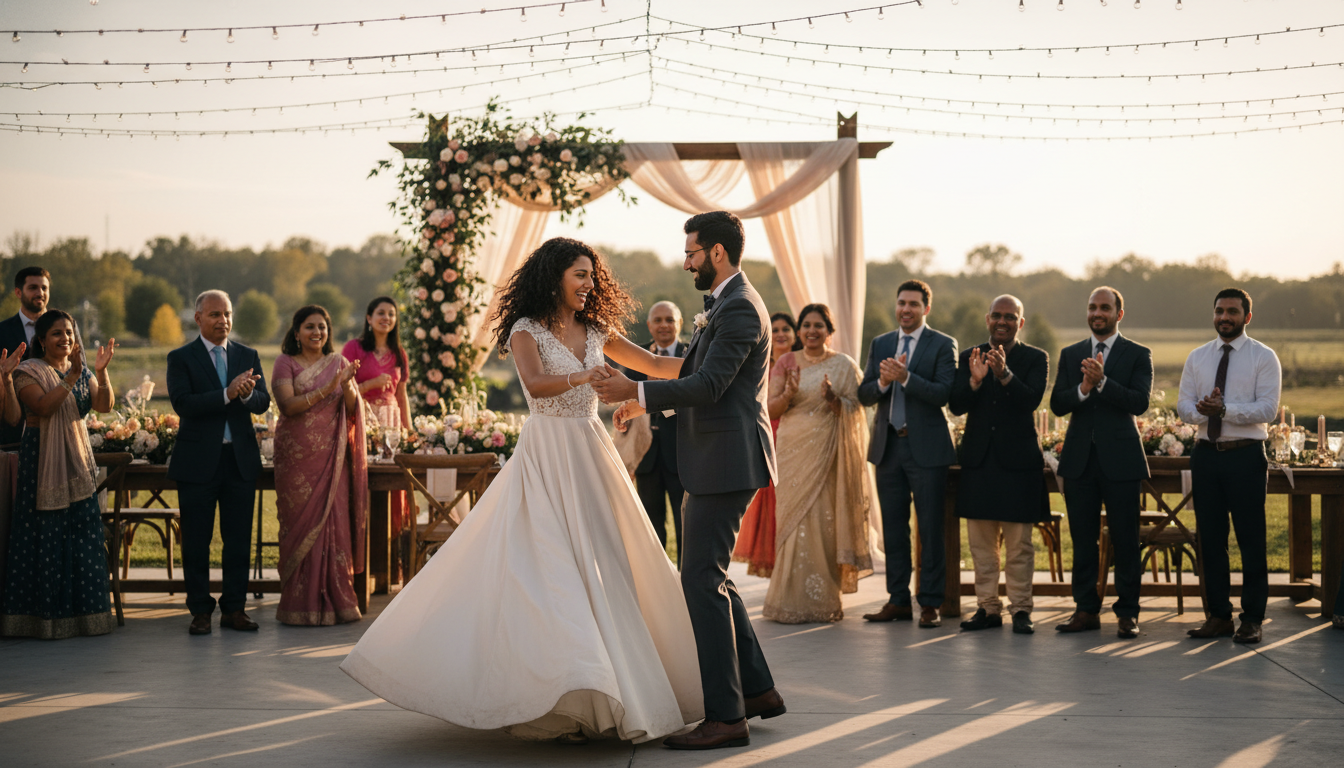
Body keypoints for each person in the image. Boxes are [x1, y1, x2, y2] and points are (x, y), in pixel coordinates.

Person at [342, 237, 703, 746]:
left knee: (610, 564)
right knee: (551, 570)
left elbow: (659, 365)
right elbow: (535, 384)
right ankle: (566, 693)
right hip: (546, 454)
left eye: (592, 276)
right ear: (554, 275)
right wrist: (587, 375)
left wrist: (713, 366)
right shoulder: (524, 329)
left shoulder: (598, 328)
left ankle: (617, 686)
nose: (589, 285)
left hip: (591, 451)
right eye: (580, 275)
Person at [596, 211, 784, 750]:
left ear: (717, 253)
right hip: (715, 457)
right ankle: (758, 691)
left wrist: (634, 394)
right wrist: (637, 390)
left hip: (727, 461)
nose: (686, 262)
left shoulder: (742, 309)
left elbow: (710, 385)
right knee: (712, 577)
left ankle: (726, 718)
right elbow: (687, 374)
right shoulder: (724, 304)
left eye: (692, 253)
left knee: (700, 579)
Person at [0, 311, 116, 639]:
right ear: (41, 341)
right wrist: (73, 376)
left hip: (76, 461)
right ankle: (42, 620)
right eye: (56, 333)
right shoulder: (28, 372)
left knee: (82, 536)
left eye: (69, 332)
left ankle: (85, 616)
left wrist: (101, 373)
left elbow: (104, 406)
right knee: (44, 535)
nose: (65, 338)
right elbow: (44, 407)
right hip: (40, 461)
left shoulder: (80, 371)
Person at [1177, 288, 1281, 645]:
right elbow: (1184, 407)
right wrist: (1202, 410)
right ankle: (1218, 616)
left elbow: (1267, 409)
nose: (1225, 317)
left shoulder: (1263, 357)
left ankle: (1252, 618)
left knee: (1251, 538)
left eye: (1232, 312)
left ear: (1246, 317)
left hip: (1245, 456)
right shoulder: (1197, 357)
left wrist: (1225, 410)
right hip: (1205, 454)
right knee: (1210, 539)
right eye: (1220, 310)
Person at [167, 290, 272, 636]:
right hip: (198, 463)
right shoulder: (181, 357)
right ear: (198, 318)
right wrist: (227, 393)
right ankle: (200, 611)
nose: (222, 321)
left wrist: (246, 395)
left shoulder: (247, 354)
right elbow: (184, 404)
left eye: (226, 314)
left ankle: (234, 609)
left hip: (238, 461)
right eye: (214, 315)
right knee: (197, 541)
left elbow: (262, 402)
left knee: (238, 539)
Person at [1050, 286, 1152, 639]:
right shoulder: (1070, 353)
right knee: (1083, 541)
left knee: (1125, 540)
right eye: (1092, 307)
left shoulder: (1138, 354)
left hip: (1122, 461)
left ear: (1118, 314)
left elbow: (1139, 402)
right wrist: (1082, 388)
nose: (1097, 313)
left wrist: (1103, 382)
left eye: (1104, 308)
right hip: (1079, 462)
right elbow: (1059, 404)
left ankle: (1127, 613)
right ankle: (1085, 610)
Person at [762, 304, 871, 624]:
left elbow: (858, 412)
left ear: (830, 331)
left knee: (824, 525)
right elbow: (771, 410)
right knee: (791, 523)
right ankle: (787, 600)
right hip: (792, 453)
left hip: (827, 456)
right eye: (806, 325)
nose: (811, 331)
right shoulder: (786, 362)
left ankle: (822, 600)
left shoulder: (844, 366)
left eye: (819, 325)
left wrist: (835, 400)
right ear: (799, 330)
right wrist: (789, 394)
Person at [858, 280, 957, 629]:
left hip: (927, 450)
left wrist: (906, 377)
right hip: (889, 449)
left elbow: (944, 393)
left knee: (930, 529)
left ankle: (930, 603)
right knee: (894, 530)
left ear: (926, 309)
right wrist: (884, 383)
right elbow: (864, 393)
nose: (906, 309)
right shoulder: (881, 342)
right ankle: (898, 600)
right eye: (902, 303)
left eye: (914, 304)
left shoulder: (943, 344)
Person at [948, 296, 1050, 635]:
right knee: (981, 547)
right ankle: (987, 608)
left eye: (1010, 316)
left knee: (1020, 546)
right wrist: (975, 381)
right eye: (997, 315)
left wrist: (1003, 374)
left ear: (1020, 323)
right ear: (987, 319)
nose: (1002, 321)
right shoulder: (968, 356)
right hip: (979, 462)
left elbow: (1031, 400)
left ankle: (1021, 609)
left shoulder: (1036, 358)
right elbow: (958, 404)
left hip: (1018, 464)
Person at [273, 305, 368, 626]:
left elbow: (353, 409)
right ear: (296, 332)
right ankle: (298, 604)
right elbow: (287, 406)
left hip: (332, 457)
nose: (317, 333)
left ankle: (337, 601)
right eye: (310, 327)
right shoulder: (284, 363)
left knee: (333, 524)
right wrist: (330, 387)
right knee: (299, 528)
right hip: (295, 460)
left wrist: (347, 386)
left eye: (323, 327)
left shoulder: (338, 363)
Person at [341, 297, 410, 581]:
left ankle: (392, 567)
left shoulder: (399, 353)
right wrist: (369, 385)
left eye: (391, 314)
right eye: (380, 313)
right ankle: (363, 565)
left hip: (392, 424)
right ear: (368, 318)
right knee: (365, 488)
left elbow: (402, 394)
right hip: (363, 421)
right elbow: (341, 386)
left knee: (396, 491)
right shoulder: (353, 348)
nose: (386, 318)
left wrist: (408, 428)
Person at [733, 312, 801, 578]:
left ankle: (792, 564)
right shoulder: (759, 362)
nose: (781, 333)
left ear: (795, 334)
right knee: (768, 503)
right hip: (765, 435)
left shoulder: (801, 362)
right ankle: (775, 568)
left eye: (786, 329)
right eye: (775, 329)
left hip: (795, 436)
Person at [624, 301, 689, 562]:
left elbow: (697, 401)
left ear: (679, 324)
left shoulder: (689, 356)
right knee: (651, 524)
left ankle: (688, 583)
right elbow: (627, 400)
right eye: (658, 320)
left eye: (669, 319)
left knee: (685, 522)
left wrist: (661, 395)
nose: (664, 325)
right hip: (646, 457)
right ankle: (660, 583)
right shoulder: (636, 357)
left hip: (681, 454)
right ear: (649, 325)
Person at [0, 267, 49, 447]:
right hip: (13, 433)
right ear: (18, 292)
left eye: (44, 288)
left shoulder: (66, 329)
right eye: (33, 288)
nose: (40, 293)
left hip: (54, 427)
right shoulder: (2, 331)